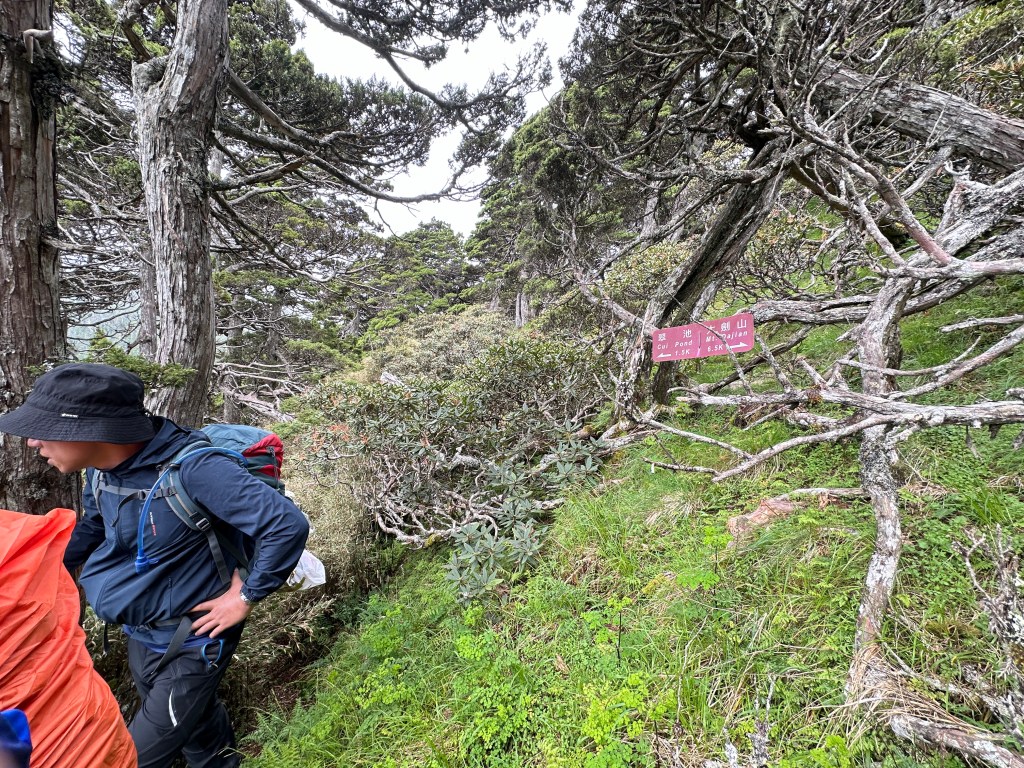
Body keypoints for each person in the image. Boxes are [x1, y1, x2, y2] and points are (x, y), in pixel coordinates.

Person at [0, 363, 310, 768]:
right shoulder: (102, 472)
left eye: (45, 428)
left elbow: (286, 525)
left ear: (91, 430)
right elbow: (94, 528)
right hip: (142, 633)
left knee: (130, 760)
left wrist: (245, 597)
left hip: (195, 640)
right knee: (199, 731)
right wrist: (20, 565)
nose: (33, 441)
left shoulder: (196, 469)